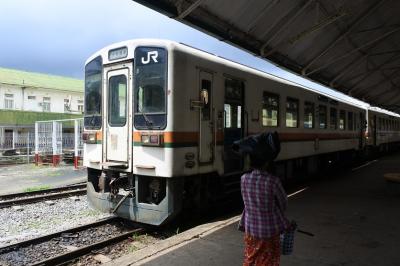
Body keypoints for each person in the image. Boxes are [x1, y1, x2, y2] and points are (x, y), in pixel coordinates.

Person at [235, 132, 289, 266]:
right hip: (269, 231)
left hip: (250, 228)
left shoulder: (244, 179)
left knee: (251, 257)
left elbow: (246, 202)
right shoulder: (273, 181)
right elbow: (283, 203)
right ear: (266, 162)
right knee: (268, 261)